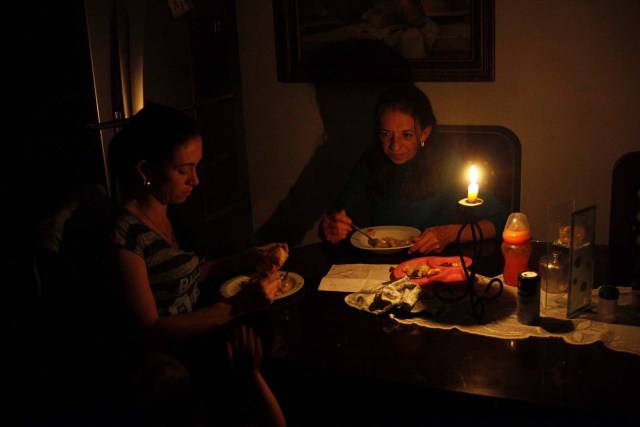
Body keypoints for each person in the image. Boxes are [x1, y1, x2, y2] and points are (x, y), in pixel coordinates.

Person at [106, 102, 288, 423]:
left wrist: (249, 257)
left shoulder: (169, 213)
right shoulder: (126, 233)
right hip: (171, 362)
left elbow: (192, 273)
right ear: (146, 171)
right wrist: (237, 306)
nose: (195, 180)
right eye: (183, 170)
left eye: (196, 167)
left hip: (201, 337)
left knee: (280, 338)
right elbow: (150, 332)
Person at [320, 85, 508, 254]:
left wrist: (449, 234)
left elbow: (500, 220)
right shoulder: (370, 162)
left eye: (406, 135)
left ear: (424, 132)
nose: (395, 146)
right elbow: (338, 216)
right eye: (386, 134)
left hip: (436, 267)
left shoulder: (447, 164)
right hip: (381, 268)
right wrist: (332, 227)